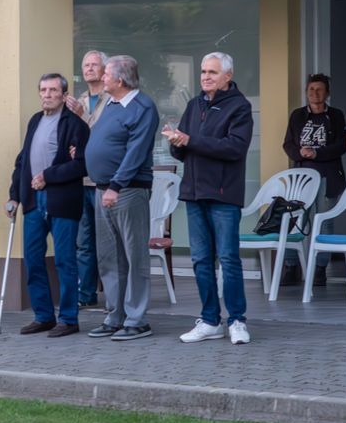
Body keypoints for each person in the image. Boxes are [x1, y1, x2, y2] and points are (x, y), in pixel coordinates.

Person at [167, 52, 253, 345]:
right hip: (194, 192)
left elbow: (234, 149)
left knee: (228, 259)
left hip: (223, 195)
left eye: (212, 72)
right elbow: (183, 151)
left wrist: (191, 141)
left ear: (228, 76)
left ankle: (237, 320)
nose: (205, 76)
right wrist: (177, 143)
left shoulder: (240, 107)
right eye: (203, 71)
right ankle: (210, 320)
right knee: (201, 260)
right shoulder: (194, 105)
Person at [6, 73, 89, 337]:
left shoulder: (75, 125)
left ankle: (68, 319)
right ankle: (43, 316)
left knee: (65, 261)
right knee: (32, 259)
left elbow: (81, 165)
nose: (47, 95)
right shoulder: (34, 120)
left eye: (53, 90)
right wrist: (14, 195)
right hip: (32, 200)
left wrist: (48, 177)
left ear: (64, 95)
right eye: (43, 90)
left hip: (61, 201)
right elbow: (23, 162)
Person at [84, 56, 159, 341]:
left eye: (105, 74)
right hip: (103, 189)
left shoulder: (142, 107)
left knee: (133, 256)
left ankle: (137, 319)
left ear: (121, 79)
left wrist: (115, 186)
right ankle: (114, 316)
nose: (101, 78)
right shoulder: (111, 105)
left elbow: (136, 152)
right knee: (109, 258)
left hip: (126, 191)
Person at [281, 73, 346, 287]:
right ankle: (291, 267)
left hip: (328, 176)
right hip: (302, 178)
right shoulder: (297, 115)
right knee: (295, 221)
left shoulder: (335, 115)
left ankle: (320, 269)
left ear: (327, 93)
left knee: (325, 222)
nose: (315, 94)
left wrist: (318, 154)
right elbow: (288, 144)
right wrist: (301, 153)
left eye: (319, 90)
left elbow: (341, 146)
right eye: (311, 90)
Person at [64, 50, 109, 308]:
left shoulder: (111, 99)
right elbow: (74, 134)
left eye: (95, 64)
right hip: (81, 179)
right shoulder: (79, 99)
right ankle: (86, 295)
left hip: (102, 181)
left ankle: (114, 295)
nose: (90, 69)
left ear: (105, 70)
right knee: (83, 242)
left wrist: (80, 115)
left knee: (106, 242)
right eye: (86, 65)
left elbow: (102, 134)